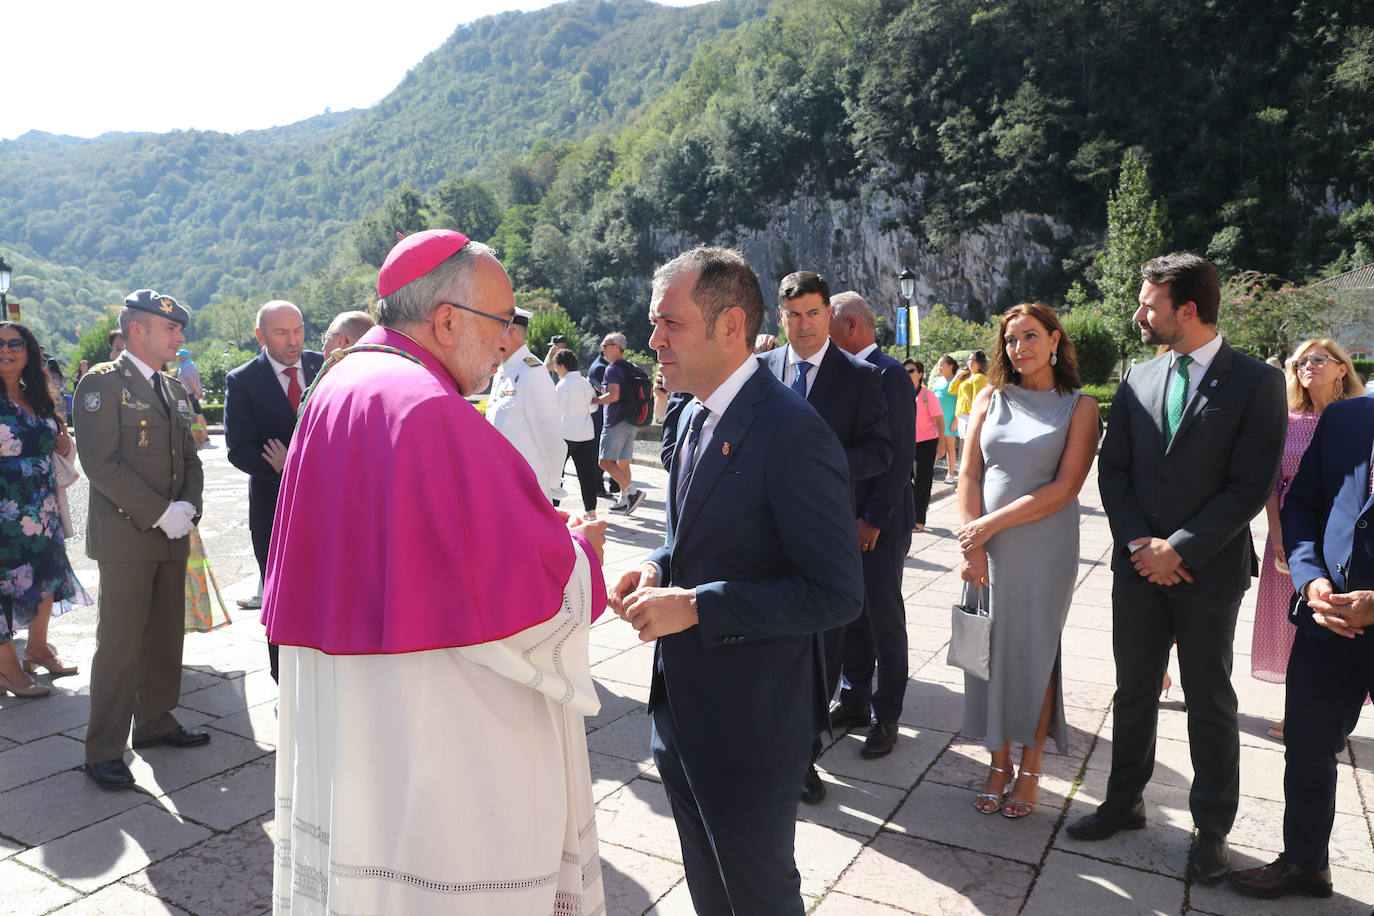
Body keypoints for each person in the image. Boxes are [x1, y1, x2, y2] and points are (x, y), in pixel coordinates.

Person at [263, 228, 608, 915]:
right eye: (501, 322)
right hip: (435, 725)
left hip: (352, 699)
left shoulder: (341, 383)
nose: (508, 341)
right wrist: (583, 554)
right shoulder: (429, 409)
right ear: (446, 320)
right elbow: (526, 588)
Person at [610, 246, 863, 915]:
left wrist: (695, 606)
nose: (653, 338)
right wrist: (657, 565)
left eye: (671, 323)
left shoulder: (791, 433)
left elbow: (837, 591)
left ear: (729, 328)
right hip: (681, 710)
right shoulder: (691, 413)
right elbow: (694, 537)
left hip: (753, 721)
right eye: (653, 321)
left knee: (757, 897)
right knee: (712, 894)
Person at [1066, 253, 1287, 886]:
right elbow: (1116, 470)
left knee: (1208, 699)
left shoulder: (1255, 382)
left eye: (1148, 304)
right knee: (1133, 688)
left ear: (1186, 310)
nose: (1139, 313)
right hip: (1137, 567)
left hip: (1208, 573)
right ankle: (1123, 800)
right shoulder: (1138, 376)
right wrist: (1142, 544)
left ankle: (1212, 828)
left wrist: (1179, 549)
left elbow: (1250, 485)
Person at [1225, 390, 1374, 902]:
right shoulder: (1346, 417)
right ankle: (1305, 864)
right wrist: (1310, 581)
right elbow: (1303, 504)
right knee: (1308, 748)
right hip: (1325, 620)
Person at [955, 304, 1099, 818]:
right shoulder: (990, 398)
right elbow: (969, 475)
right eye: (1011, 339)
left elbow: (1065, 488)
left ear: (1055, 339)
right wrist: (973, 544)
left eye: (1031, 336)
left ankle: (1032, 768)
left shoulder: (1081, 407)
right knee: (987, 654)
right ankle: (997, 763)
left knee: (1035, 654)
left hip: (1043, 548)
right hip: (986, 547)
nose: (1020, 348)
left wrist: (987, 526)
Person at [756, 271, 890, 800]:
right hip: (762, 535)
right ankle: (766, 746)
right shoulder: (759, 370)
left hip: (826, 536)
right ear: (780, 317)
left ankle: (805, 757)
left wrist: (820, 466)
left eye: (813, 314)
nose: (803, 325)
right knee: (766, 644)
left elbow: (882, 453)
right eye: (793, 315)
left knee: (820, 649)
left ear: (829, 316)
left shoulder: (860, 378)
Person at [75, 290, 206, 790]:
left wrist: (188, 508)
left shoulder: (173, 389)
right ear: (138, 330)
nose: (179, 337)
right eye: (170, 329)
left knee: (165, 635)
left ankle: (155, 722)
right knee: (121, 642)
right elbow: (100, 464)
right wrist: (160, 513)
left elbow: (191, 459)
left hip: (173, 533)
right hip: (128, 536)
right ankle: (103, 746)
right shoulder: (102, 384)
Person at [1250, 339, 1362, 741]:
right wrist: (1278, 534)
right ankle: (1296, 709)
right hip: (1289, 537)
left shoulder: (1356, 419)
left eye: (1318, 359)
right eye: (1301, 362)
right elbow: (1271, 482)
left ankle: (1333, 712)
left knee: (1332, 618)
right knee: (1289, 621)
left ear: (1341, 368)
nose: (1307, 366)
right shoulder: (1288, 419)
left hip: (1340, 538)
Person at [828, 291, 915, 760]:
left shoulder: (890, 373)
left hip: (878, 519)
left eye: (828, 324)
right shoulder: (843, 374)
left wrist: (872, 518)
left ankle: (888, 712)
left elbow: (899, 455)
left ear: (852, 326)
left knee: (883, 615)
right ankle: (854, 698)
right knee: (853, 612)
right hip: (848, 516)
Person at [224, 300, 323, 674]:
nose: (293, 340)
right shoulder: (243, 380)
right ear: (260, 335)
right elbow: (240, 449)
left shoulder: (324, 366)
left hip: (326, 505)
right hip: (274, 509)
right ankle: (284, 680)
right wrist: (283, 473)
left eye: (298, 330)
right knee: (280, 595)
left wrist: (294, 465)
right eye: (282, 333)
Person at [0, 321, 90, 698]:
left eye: (14, 343)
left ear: (28, 352)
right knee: (4, 585)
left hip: (42, 506)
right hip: (4, 509)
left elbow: (59, 447)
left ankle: (37, 649)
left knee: (47, 576)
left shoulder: (36, 396)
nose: (5, 349)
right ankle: (6, 670)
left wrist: (63, 443)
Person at [487, 308, 565, 503]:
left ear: (511, 331)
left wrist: (551, 484)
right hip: (502, 483)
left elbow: (551, 437)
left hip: (526, 488)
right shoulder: (503, 371)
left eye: (495, 328)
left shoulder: (533, 371)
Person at [591, 332, 648, 513]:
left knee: (605, 462)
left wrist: (593, 400)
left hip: (615, 421)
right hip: (631, 421)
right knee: (623, 462)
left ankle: (632, 493)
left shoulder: (612, 369)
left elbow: (613, 396)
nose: (602, 350)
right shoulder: (630, 366)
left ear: (616, 347)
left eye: (605, 346)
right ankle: (625, 500)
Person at [552, 347, 599, 520]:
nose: (556, 372)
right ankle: (591, 511)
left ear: (562, 366)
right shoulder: (585, 383)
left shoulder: (563, 385)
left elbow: (556, 411)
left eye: (556, 368)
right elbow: (594, 407)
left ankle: (553, 509)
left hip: (566, 434)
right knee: (587, 473)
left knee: (556, 473)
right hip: (586, 433)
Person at [904, 358, 945, 531]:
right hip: (907, 443)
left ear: (920, 374)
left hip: (926, 444)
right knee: (904, 480)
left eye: (911, 371)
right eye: (905, 371)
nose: (907, 374)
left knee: (922, 482)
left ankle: (919, 520)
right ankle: (914, 511)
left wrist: (941, 444)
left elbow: (939, 421)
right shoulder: (902, 393)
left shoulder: (928, 395)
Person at [931, 355, 960, 481]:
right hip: (935, 418)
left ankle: (951, 474)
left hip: (949, 418)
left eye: (942, 365)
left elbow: (961, 401)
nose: (939, 367)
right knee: (934, 445)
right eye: (938, 365)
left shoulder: (957, 381)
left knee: (949, 446)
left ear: (951, 366)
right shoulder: (937, 380)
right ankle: (928, 470)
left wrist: (956, 419)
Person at [950, 350, 989, 443]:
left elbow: (977, 400)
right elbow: (952, 390)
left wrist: (974, 418)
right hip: (962, 417)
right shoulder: (967, 377)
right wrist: (959, 375)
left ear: (980, 362)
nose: (971, 362)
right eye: (969, 360)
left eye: (974, 360)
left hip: (970, 417)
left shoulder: (979, 378)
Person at [174, 349, 209, 449]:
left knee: (194, 418)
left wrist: (198, 393)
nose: (178, 358)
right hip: (192, 395)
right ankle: (203, 437)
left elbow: (190, 381)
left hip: (189, 395)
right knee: (197, 416)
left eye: (179, 356)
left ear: (183, 357)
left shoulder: (185, 366)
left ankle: (200, 439)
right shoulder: (190, 365)